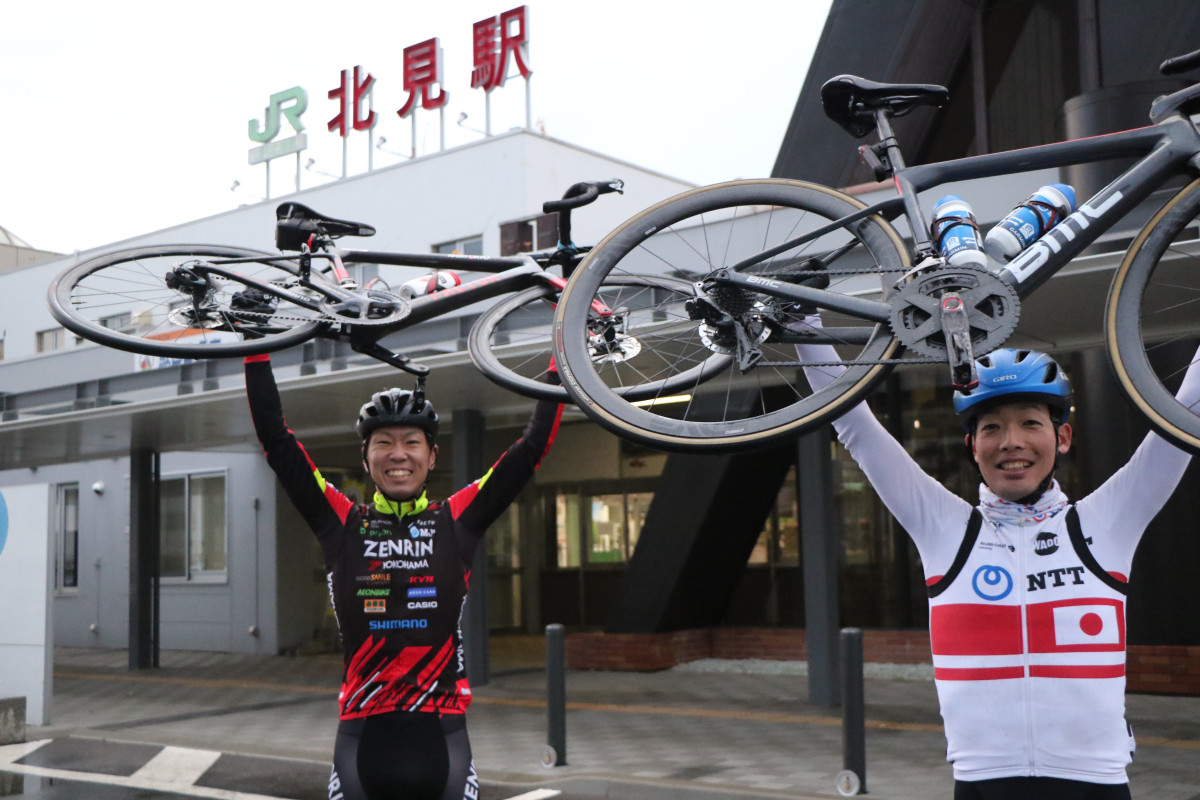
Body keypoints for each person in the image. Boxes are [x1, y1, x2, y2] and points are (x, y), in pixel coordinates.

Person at [798, 337, 1200, 800]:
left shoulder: (1106, 523)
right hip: (983, 783)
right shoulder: (945, 529)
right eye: (992, 428)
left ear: (1062, 437)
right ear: (973, 446)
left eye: (1031, 423)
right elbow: (854, 425)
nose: (1012, 443)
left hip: (1096, 783)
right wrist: (805, 328)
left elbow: (1183, 416)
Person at [244, 353, 562, 800]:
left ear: (432, 456)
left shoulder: (457, 520)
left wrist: (563, 344)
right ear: (366, 457)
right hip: (361, 738)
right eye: (383, 442)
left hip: (442, 736)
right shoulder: (342, 523)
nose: (398, 454)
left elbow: (531, 448)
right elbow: (278, 442)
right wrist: (257, 349)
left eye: (412, 442)